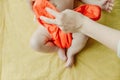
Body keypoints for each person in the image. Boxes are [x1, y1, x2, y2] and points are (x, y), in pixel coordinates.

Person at [40, 7, 120, 57]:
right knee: (34, 43)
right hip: (50, 26)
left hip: (71, 18)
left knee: (82, 37)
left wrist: (97, 3)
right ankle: (57, 49)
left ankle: (71, 52)